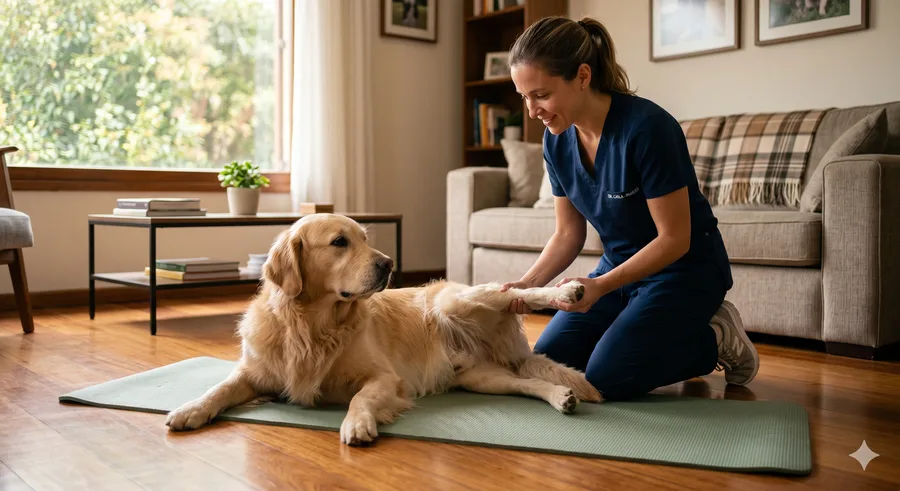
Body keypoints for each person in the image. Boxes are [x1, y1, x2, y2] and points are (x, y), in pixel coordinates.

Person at [500, 16, 759, 401]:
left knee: (608, 378)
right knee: (549, 360)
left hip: (685, 270)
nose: (532, 108)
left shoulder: (647, 128)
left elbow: (675, 239)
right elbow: (568, 234)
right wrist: (526, 284)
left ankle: (715, 337)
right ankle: (638, 338)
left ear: (583, 76)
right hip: (620, 268)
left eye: (541, 94)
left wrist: (600, 286)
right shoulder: (556, 141)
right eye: (524, 96)